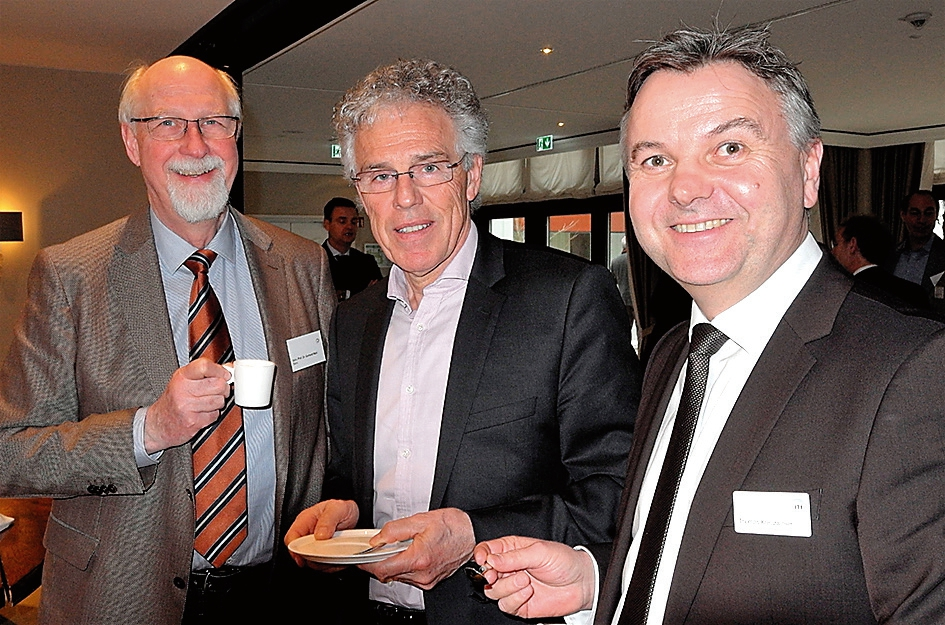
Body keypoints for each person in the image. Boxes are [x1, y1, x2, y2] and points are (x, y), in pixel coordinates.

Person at [474, 26, 945, 624]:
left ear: (808, 168)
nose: (686, 188)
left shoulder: (917, 370)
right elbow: (686, 551)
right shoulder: (674, 354)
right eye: (654, 159)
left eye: (729, 148)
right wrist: (599, 585)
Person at [285, 58, 640, 625]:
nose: (404, 198)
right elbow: (349, 474)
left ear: (471, 177)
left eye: (428, 168)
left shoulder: (567, 300)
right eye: (379, 175)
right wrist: (345, 514)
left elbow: (620, 490)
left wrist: (472, 534)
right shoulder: (353, 321)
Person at [0, 56, 334, 624]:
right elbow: (10, 450)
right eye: (168, 124)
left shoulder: (302, 264)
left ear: (237, 134)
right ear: (132, 142)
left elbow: (327, 422)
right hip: (122, 596)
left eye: (213, 122)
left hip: (278, 593)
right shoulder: (71, 274)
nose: (195, 144)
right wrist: (147, 430)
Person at [832, 215, 929, 309]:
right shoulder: (915, 293)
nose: (832, 251)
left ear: (852, 245)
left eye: (836, 244)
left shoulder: (844, 293)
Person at [889, 190, 945, 310]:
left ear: (936, 215)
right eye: (915, 213)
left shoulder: (942, 255)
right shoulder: (891, 255)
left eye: (928, 214)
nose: (922, 220)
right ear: (903, 215)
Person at [322, 196, 382, 300]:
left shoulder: (367, 262)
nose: (349, 227)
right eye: (342, 221)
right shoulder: (316, 260)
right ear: (327, 224)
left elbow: (379, 296)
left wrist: (344, 294)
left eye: (354, 222)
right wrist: (362, 293)